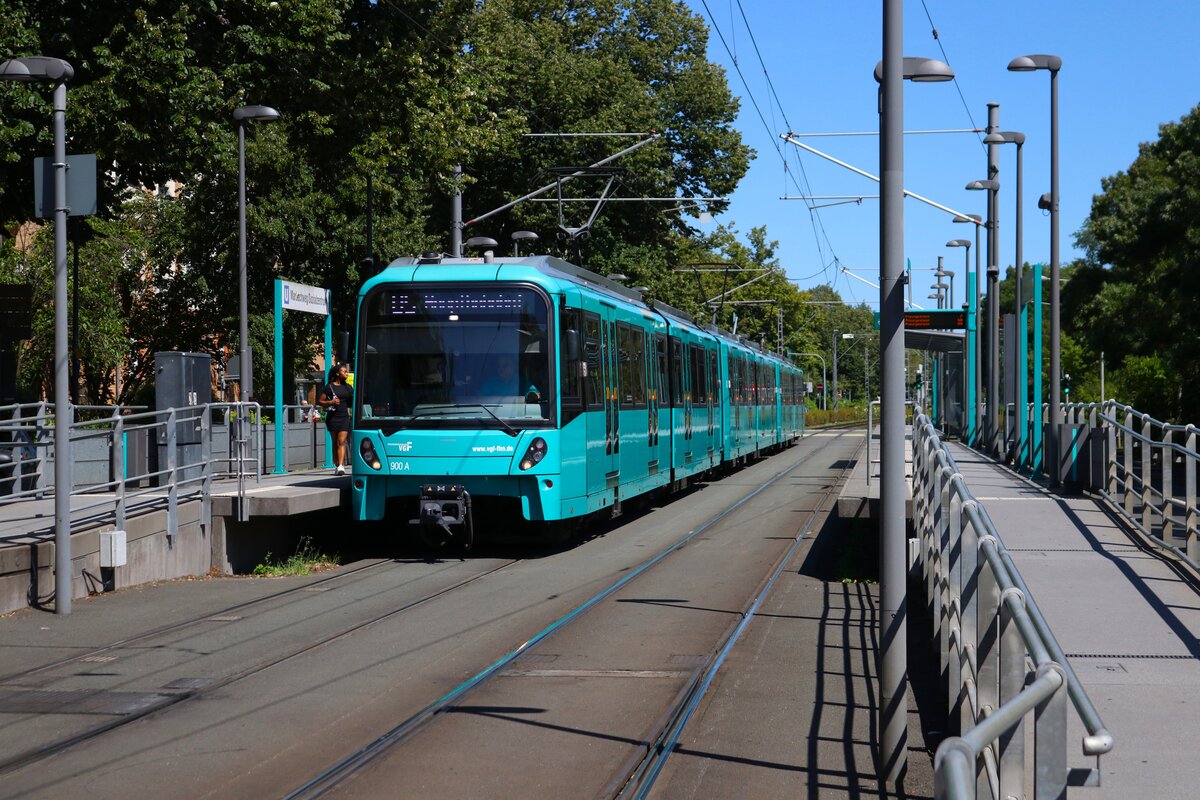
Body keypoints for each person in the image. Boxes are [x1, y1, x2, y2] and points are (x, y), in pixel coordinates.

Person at [318, 363, 353, 475]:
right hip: (333, 417)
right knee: (335, 442)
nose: (346, 373)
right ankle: (337, 464)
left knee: (341, 441)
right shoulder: (329, 387)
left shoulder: (348, 387)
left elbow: (351, 402)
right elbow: (320, 401)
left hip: (344, 417)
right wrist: (331, 402)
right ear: (338, 373)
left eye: (347, 372)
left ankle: (341, 466)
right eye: (344, 371)